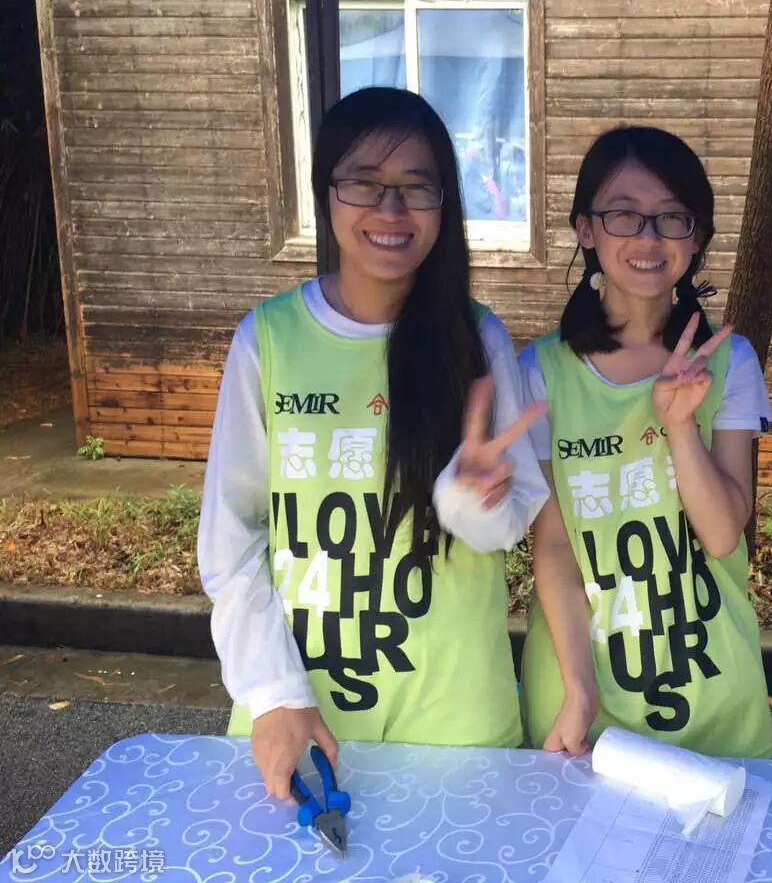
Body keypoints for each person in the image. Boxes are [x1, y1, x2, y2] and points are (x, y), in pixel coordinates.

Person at [197, 87, 546, 801]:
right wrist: (273, 691)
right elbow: (231, 538)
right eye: (364, 182)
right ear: (327, 191)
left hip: (456, 709)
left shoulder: (476, 338)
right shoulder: (267, 339)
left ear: (444, 204)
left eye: (416, 187)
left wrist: (467, 496)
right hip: (301, 706)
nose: (391, 210)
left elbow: (505, 528)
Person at [518, 126, 772, 759]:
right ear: (586, 229)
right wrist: (579, 690)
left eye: (671, 218)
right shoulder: (539, 372)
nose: (648, 238)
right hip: (579, 688)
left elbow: (722, 535)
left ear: (697, 237)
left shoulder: (730, 362)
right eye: (624, 215)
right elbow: (555, 544)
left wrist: (680, 425)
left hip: (711, 685)